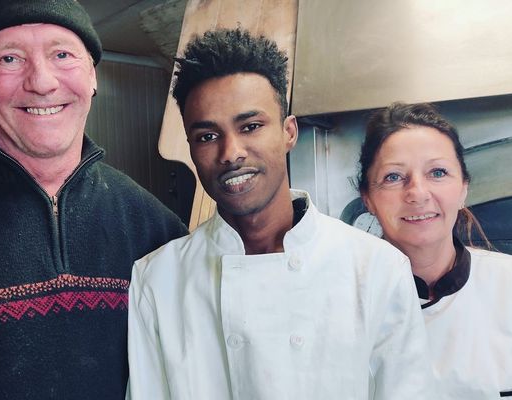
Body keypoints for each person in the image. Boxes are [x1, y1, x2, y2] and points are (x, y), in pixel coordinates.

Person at [127, 28, 436, 400]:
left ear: (289, 132)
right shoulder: (158, 279)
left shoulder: (375, 269)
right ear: (191, 148)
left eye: (251, 126)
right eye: (208, 136)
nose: (231, 152)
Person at [0, 0, 188, 398]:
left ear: (92, 75)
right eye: (10, 58)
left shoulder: (160, 232)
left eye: (62, 54)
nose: (41, 82)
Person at [358, 102, 512, 398]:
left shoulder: (509, 286)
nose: (417, 193)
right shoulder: (341, 299)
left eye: (438, 172)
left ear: (464, 188)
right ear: (368, 198)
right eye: (393, 177)